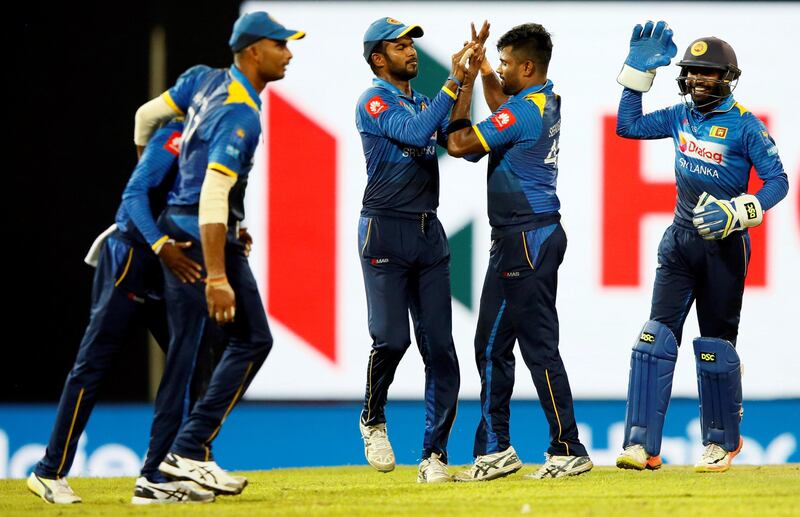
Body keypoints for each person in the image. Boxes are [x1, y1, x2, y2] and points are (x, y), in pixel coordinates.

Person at [131, 11, 304, 495]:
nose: (288, 54)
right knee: (248, 341)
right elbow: (211, 193)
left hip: (190, 225)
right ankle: (185, 452)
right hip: (200, 237)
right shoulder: (240, 112)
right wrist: (216, 275)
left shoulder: (201, 81)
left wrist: (159, 183)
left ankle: (163, 474)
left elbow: (145, 117)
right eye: (280, 45)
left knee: (198, 355)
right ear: (253, 51)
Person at [614, 21, 788, 472]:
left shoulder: (747, 126)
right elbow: (627, 126)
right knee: (654, 338)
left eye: (706, 73)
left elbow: (779, 182)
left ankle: (719, 443)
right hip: (680, 242)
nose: (696, 80)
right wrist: (636, 73)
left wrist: (740, 212)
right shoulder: (679, 115)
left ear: (727, 77)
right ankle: (641, 444)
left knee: (714, 345)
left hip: (725, 247)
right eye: (691, 72)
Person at [26, 119, 215, 504]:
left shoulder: (220, 143)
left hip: (169, 268)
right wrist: (161, 244)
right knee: (92, 365)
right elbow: (134, 196)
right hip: (131, 258)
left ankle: (158, 475)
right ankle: (49, 471)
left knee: (193, 361)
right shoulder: (178, 136)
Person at [446, 22, 593, 481]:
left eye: (508, 63)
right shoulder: (543, 100)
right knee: (490, 345)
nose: (502, 69)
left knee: (536, 347)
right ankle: (496, 449)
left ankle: (568, 448)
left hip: (526, 240)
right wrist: (488, 66)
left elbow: (459, 144)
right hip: (524, 237)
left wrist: (466, 78)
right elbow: (502, 107)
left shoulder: (524, 113)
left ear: (528, 67)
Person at [355, 17, 474, 483]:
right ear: (378, 58)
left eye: (412, 44)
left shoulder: (423, 99)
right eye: (401, 45)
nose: (411, 52)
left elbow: (459, 142)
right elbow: (414, 132)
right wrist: (451, 79)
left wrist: (466, 78)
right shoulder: (374, 100)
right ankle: (372, 416)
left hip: (428, 235)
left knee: (441, 350)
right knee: (392, 339)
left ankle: (434, 459)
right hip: (384, 231)